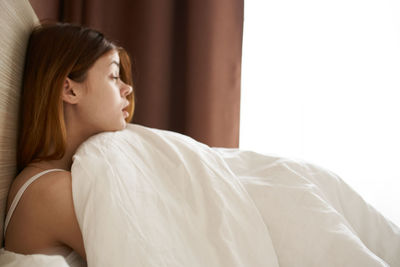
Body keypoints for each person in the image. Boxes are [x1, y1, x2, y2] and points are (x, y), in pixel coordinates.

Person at [3, 22, 134, 266]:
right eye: (114, 76)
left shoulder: (59, 179)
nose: (127, 88)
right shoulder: (51, 191)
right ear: (69, 90)